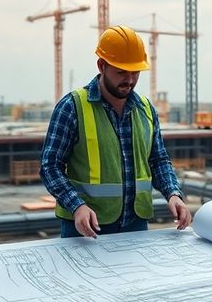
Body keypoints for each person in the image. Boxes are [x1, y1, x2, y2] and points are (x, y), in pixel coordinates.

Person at [41, 25, 191, 238]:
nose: (129, 80)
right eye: (121, 72)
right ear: (101, 65)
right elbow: (50, 167)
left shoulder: (146, 110)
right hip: (86, 227)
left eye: (135, 72)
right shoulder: (72, 107)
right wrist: (76, 206)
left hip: (135, 225)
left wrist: (173, 194)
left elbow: (158, 160)